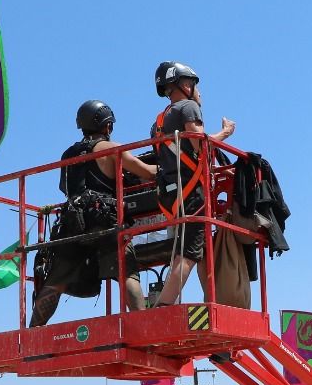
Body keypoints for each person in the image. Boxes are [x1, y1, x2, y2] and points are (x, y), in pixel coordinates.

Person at [30, 100, 157, 326]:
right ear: (107, 126)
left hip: (72, 222)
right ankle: (143, 324)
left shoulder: (67, 155)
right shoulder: (110, 149)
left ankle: (33, 331)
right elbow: (147, 173)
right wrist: (171, 164)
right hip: (104, 218)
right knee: (126, 271)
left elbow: (64, 188)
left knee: (56, 280)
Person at [149, 62, 236, 306]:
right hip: (191, 192)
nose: (198, 91)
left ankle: (212, 300)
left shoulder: (159, 120)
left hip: (170, 193)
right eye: (194, 85)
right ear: (185, 84)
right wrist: (225, 133)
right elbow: (202, 144)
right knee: (187, 253)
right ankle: (163, 307)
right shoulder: (188, 107)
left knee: (200, 249)